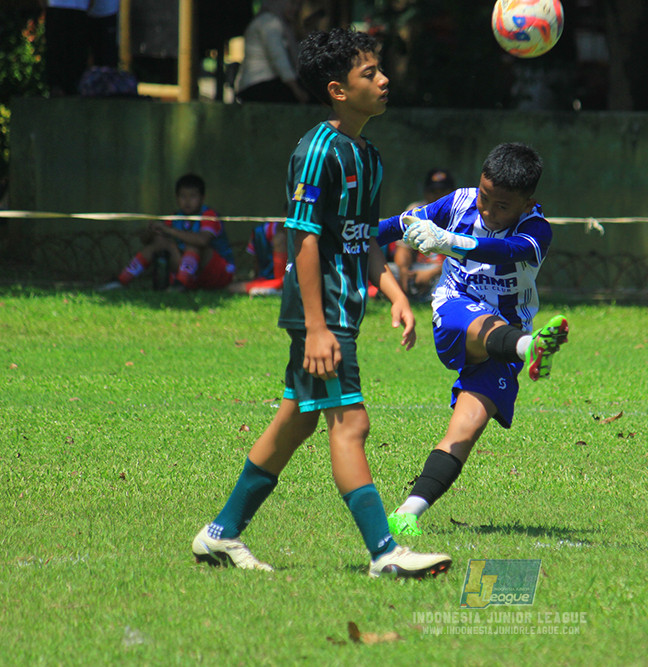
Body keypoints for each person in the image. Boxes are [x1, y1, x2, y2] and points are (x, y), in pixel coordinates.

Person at [191, 27, 452, 579]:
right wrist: (315, 326)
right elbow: (303, 239)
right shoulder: (315, 153)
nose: (383, 81)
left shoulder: (369, 156)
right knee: (349, 423)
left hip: (342, 311)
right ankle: (386, 552)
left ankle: (221, 535)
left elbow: (366, 240)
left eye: (381, 71)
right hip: (323, 315)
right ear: (338, 90)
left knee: (296, 422)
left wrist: (397, 294)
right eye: (369, 74)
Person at [376, 142, 570, 537]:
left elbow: (507, 250)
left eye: (502, 206)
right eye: (485, 197)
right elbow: (396, 226)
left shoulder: (536, 229)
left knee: (464, 432)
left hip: (505, 335)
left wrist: (448, 242)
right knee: (484, 324)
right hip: (455, 312)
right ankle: (529, 348)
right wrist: (333, 247)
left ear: (527, 202)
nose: (488, 210)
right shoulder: (459, 201)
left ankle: (407, 513)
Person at [101, 174, 236, 291]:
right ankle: (122, 280)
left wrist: (168, 230)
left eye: (193, 196)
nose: (187, 201)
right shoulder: (175, 217)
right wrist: (151, 231)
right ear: (176, 198)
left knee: (194, 245)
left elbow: (203, 240)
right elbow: (146, 240)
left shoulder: (209, 215)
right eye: (183, 196)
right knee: (160, 242)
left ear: (202, 198)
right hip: (193, 272)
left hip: (220, 272)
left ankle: (180, 285)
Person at [389, 168, 455, 299]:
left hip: (446, 269)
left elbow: (464, 259)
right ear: (425, 192)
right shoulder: (417, 209)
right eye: (433, 191)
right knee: (388, 271)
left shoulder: (460, 213)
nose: (438, 196)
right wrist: (404, 271)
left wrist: (432, 273)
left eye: (443, 191)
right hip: (417, 268)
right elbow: (403, 249)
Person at [236, 0, 310, 104]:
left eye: (298, 4)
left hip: (265, 85)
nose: (296, 8)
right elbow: (279, 59)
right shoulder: (269, 21)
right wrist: (297, 90)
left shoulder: (283, 24)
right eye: (292, 3)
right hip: (258, 85)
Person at [228, 220, 288, 295]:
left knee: (280, 238)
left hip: (284, 282)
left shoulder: (287, 236)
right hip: (269, 279)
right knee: (233, 287)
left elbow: (281, 281)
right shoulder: (260, 232)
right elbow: (256, 263)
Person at [45, 0, 90, 96]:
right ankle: (57, 87)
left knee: (77, 51)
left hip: (79, 8)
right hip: (57, 7)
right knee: (56, 49)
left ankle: (74, 87)